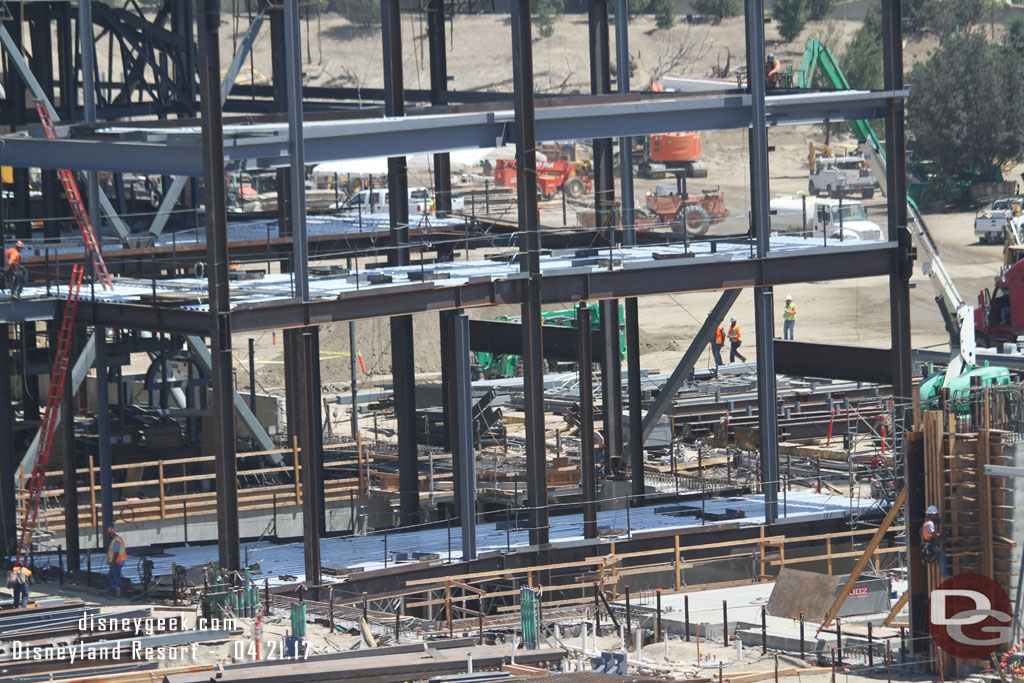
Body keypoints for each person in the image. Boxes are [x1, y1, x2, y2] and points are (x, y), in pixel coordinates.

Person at [921, 505, 950, 579]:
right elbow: (934, 535)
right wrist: (943, 535)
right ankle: (946, 577)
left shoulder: (926, 522)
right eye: (936, 514)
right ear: (931, 514)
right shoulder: (930, 523)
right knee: (942, 557)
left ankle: (945, 577)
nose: (937, 515)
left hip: (930, 547)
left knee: (939, 561)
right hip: (933, 546)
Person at [105, 526, 127, 596]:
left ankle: (118, 589)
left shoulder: (116, 541)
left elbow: (116, 553)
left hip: (116, 563)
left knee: (116, 577)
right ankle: (116, 588)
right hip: (117, 562)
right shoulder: (117, 539)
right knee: (110, 576)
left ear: (110, 534)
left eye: (108, 534)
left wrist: (113, 563)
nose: (107, 536)